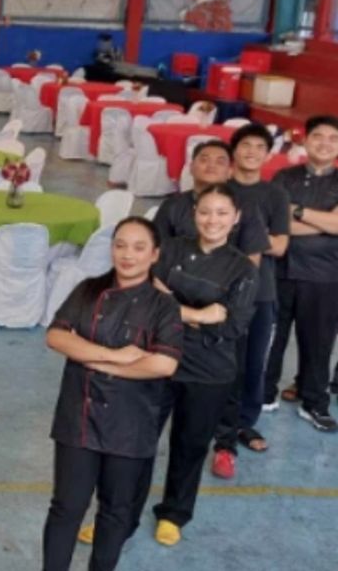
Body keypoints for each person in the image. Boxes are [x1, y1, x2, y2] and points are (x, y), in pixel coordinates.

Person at [41, 217, 183, 571]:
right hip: (79, 417)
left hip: (131, 424)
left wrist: (94, 361)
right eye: (120, 245)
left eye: (138, 247)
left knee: (116, 511)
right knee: (67, 507)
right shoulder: (88, 290)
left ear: (154, 254)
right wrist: (116, 356)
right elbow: (56, 336)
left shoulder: (164, 305)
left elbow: (164, 364)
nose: (127, 255)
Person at [148, 184, 258, 546]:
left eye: (222, 213)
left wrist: (170, 304)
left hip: (208, 370)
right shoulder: (171, 249)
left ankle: (173, 514)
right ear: (194, 213)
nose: (213, 220)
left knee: (190, 446)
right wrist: (199, 314)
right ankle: (119, 512)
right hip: (157, 358)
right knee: (136, 440)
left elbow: (231, 327)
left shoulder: (243, 269)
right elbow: (147, 299)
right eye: (205, 211)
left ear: (236, 218)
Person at [210, 123, 289, 474]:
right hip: (215, 288)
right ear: (234, 151)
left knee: (254, 362)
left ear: (268, 155)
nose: (252, 152)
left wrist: (244, 239)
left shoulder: (274, 195)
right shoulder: (219, 191)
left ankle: (244, 422)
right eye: (246, 145)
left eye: (260, 147)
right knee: (219, 358)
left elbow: (281, 245)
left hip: (260, 290)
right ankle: (215, 420)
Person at [264, 114, 338, 433]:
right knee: (272, 338)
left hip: (324, 274)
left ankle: (314, 402)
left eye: (333, 138)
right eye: (318, 136)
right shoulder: (284, 177)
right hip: (279, 269)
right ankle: (263, 394)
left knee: (318, 342)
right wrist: (323, 223)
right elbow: (273, 222)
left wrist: (296, 211)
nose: (325, 143)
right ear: (305, 140)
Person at [153, 140, 269, 264]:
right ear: (191, 168)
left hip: (227, 274)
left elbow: (252, 260)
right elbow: (156, 250)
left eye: (220, 162)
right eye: (204, 160)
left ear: (230, 172)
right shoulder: (172, 205)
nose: (211, 165)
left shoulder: (246, 206)